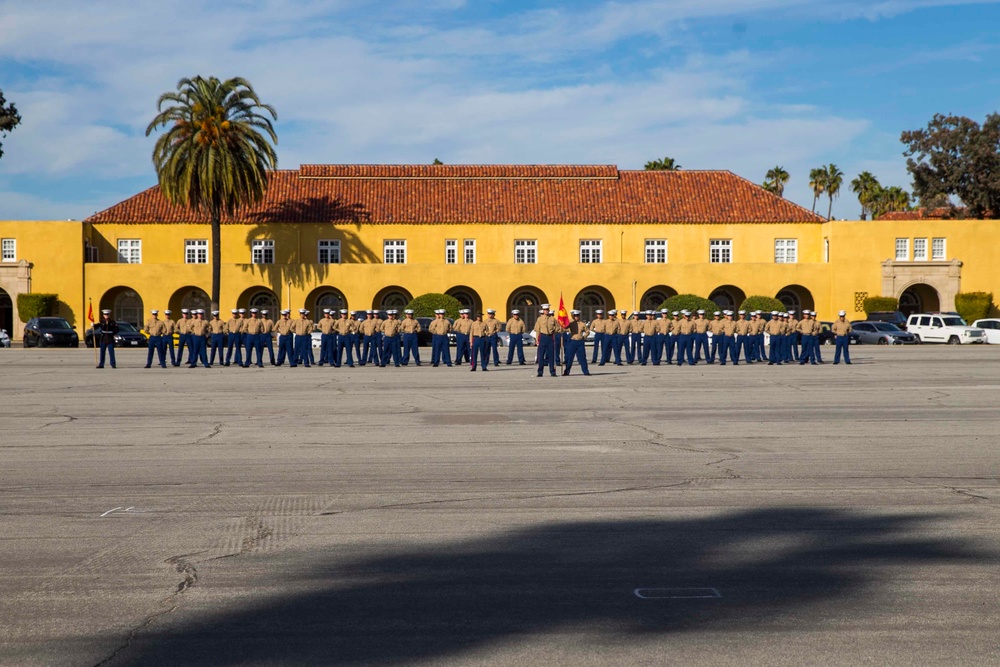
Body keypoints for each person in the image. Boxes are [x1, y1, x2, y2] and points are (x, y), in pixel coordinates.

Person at [534, 304, 559, 377]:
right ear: (543, 311)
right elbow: (537, 330)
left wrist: (554, 331)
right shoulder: (539, 319)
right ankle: (540, 372)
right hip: (542, 337)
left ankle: (552, 371)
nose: (546, 311)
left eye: (547, 310)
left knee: (551, 355)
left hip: (550, 337)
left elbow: (557, 327)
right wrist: (537, 339)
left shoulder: (552, 319)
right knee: (541, 355)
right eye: (545, 310)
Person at [563, 310, 591, 376]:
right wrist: (563, 324)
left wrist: (584, 337)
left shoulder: (582, 324)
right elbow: (565, 328)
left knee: (582, 358)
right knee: (569, 358)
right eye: (575, 316)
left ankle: (585, 371)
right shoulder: (571, 323)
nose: (576, 317)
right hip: (572, 341)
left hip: (580, 342)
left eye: (577, 316)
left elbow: (587, 331)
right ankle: (566, 371)